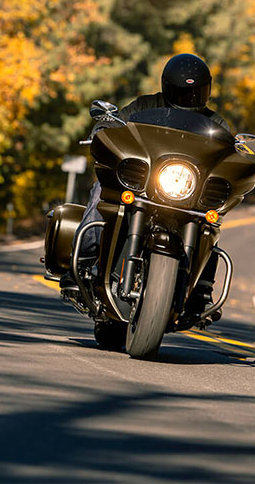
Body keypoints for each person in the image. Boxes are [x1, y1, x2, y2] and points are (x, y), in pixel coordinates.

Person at [62, 53, 233, 322]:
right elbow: (120, 122)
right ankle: (83, 258)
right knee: (102, 190)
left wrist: (238, 158)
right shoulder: (146, 105)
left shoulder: (216, 125)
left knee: (210, 222)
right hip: (145, 184)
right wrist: (105, 126)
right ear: (167, 88)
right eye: (183, 92)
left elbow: (230, 153)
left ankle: (202, 288)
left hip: (185, 194)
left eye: (196, 92)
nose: (190, 98)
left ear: (207, 91)